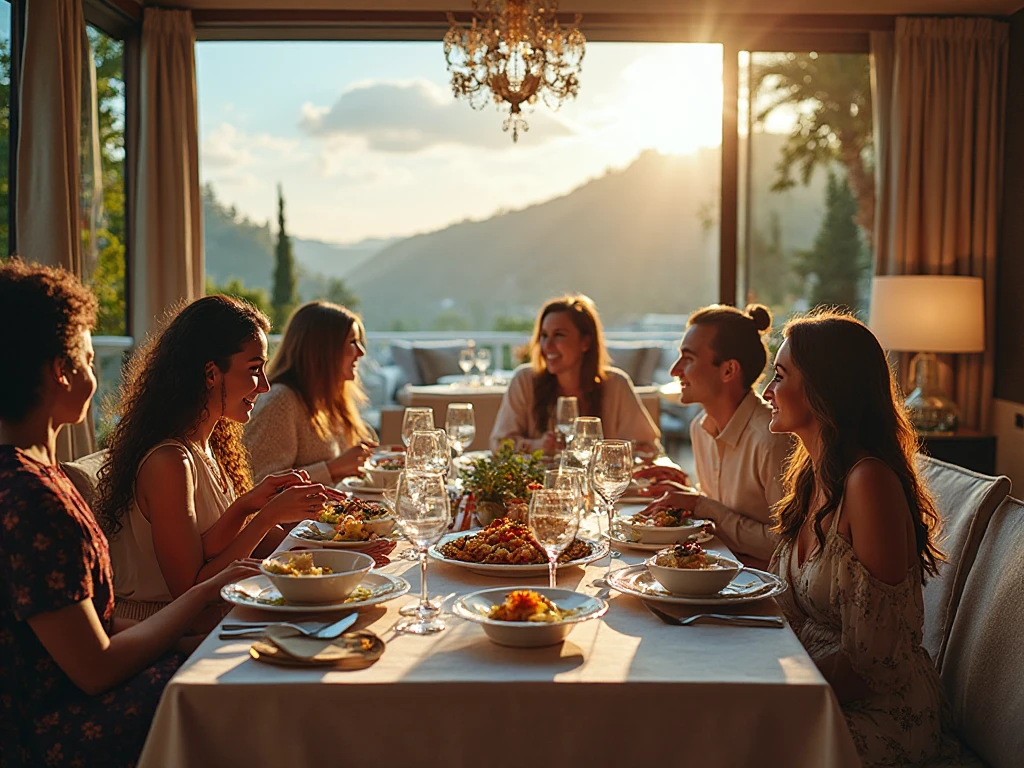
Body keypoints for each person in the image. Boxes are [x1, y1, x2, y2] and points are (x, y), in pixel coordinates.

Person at [0, 259, 258, 767]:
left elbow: (97, 627)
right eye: (90, 359)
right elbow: (93, 670)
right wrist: (208, 592)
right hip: (54, 730)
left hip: (62, 700)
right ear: (62, 369)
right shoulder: (32, 498)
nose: (95, 375)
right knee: (245, 698)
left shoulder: (38, 475)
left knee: (245, 657)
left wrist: (193, 635)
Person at [763, 310, 947, 767]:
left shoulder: (868, 483)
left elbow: (875, 665)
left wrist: (773, 693)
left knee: (726, 736)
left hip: (879, 713)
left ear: (825, 388)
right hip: (819, 688)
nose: (767, 390)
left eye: (781, 375)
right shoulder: (812, 476)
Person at [95, 295, 330, 620]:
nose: (264, 386)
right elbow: (191, 590)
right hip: (160, 630)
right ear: (210, 374)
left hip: (210, 617)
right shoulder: (169, 462)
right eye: (253, 370)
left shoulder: (207, 446)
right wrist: (265, 516)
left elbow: (208, 549)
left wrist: (254, 506)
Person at [637, 304, 791, 567]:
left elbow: (788, 547)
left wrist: (701, 505)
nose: (675, 370)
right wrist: (683, 492)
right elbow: (721, 511)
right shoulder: (700, 428)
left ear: (729, 370)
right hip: (717, 576)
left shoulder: (771, 438)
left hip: (761, 592)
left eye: (688, 358)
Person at [490, 294, 660, 454]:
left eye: (558, 335)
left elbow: (648, 447)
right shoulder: (525, 381)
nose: (547, 346)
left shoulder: (616, 385)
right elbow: (498, 444)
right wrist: (537, 446)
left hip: (598, 484)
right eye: (543, 336)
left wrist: (607, 456)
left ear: (585, 342)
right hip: (538, 484)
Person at [244, 301, 377, 486]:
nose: (361, 353)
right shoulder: (280, 401)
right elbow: (259, 483)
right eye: (352, 342)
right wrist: (333, 468)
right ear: (323, 349)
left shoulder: (330, 397)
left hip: (333, 511)